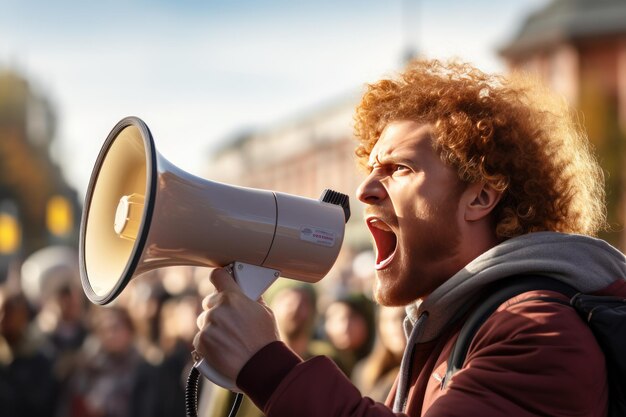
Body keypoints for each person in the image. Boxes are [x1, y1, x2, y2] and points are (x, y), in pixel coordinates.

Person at [193, 59, 626, 416]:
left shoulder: (535, 331)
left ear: (479, 196)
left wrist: (268, 366)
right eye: (371, 169)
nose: (364, 190)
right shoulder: (459, 329)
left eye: (399, 168)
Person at [351, 305, 406, 402]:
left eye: (404, 317)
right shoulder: (363, 370)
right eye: (389, 320)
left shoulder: (426, 372)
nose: (398, 327)